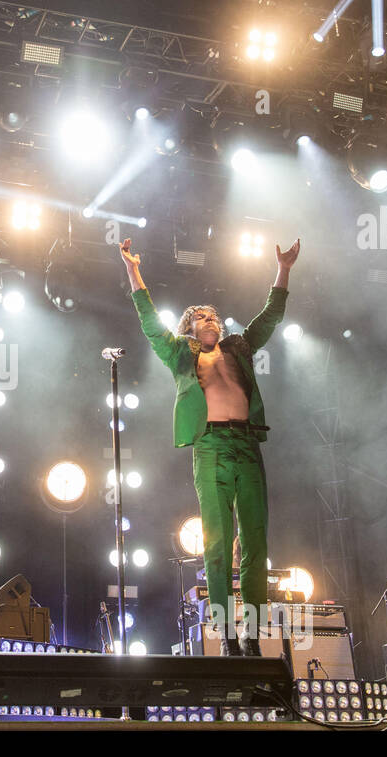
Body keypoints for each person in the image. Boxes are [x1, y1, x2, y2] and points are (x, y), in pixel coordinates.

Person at [121, 236, 299, 655]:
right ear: (190, 328)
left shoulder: (238, 346)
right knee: (217, 544)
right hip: (210, 446)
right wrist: (133, 269)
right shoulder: (179, 353)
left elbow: (269, 317)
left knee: (256, 543)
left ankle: (253, 637)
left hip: (246, 444)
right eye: (201, 317)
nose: (210, 320)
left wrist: (284, 269)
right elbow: (148, 320)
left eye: (214, 315)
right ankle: (228, 637)